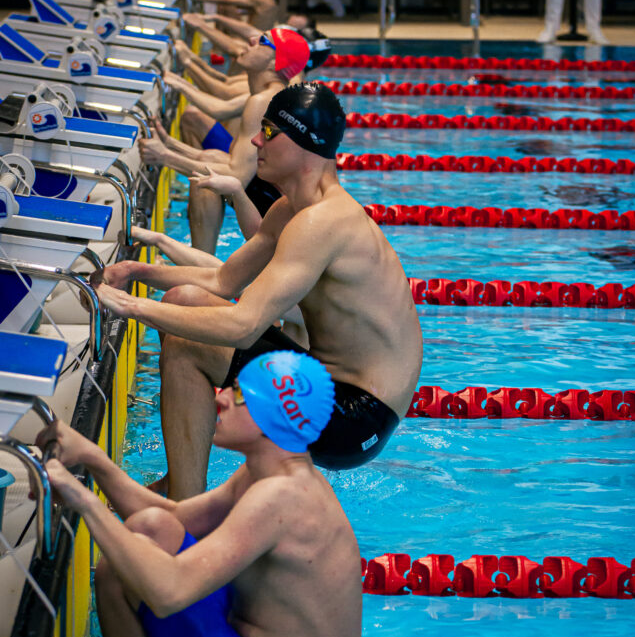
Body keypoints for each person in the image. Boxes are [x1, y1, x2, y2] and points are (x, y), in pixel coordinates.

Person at [95, 82, 424, 500]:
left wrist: (129, 307)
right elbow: (222, 282)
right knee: (185, 302)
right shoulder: (290, 210)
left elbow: (243, 326)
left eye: (268, 131)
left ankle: (182, 497)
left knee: (187, 339)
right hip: (330, 386)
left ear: (303, 141)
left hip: (356, 418)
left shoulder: (323, 222)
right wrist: (137, 271)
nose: (254, 139)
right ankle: (182, 487)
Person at [39, 351, 362, 637]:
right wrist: (93, 459)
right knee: (152, 529)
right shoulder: (269, 473)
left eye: (241, 395)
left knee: (126, 568)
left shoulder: (281, 497)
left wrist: (84, 501)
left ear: (275, 419)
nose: (221, 396)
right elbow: (173, 516)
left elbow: (169, 593)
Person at [147, 27, 310, 251]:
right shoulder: (268, 94)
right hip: (281, 206)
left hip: (280, 217)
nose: (251, 39)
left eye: (262, 40)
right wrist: (168, 144)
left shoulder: (265, 100)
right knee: (211, 157)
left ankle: (201, 266)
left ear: (275, 63)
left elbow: (236, 177)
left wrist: (163, 157)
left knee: (207, 178)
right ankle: (201, 263)